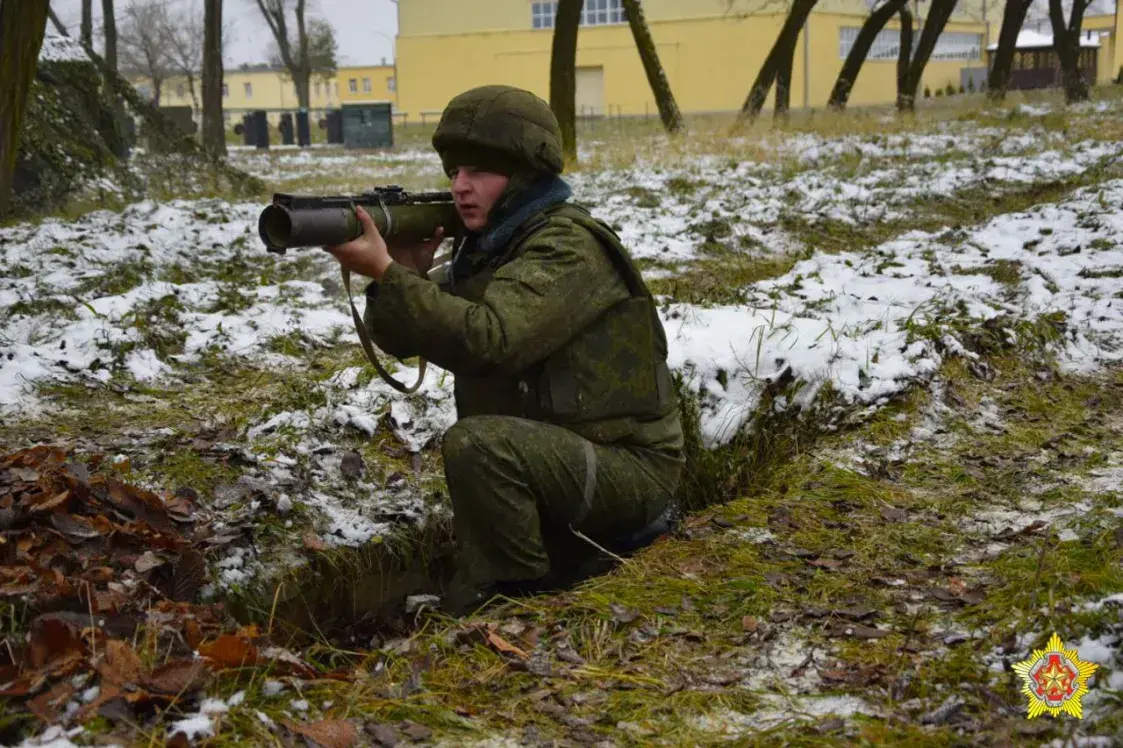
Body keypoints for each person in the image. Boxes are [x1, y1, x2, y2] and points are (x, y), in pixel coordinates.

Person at [323, 85, 683, 613]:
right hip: (562, 462)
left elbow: (491, 340)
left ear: (524, 174)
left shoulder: (567, 245)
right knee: (485, 444)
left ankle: (514, 603)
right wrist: (401, 276)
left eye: (480, 172)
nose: (461, 187)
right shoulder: (495, 247)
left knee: (479, 445)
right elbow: (402, 339)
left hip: (628, 472)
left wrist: (387, 273)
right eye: (454, 173)